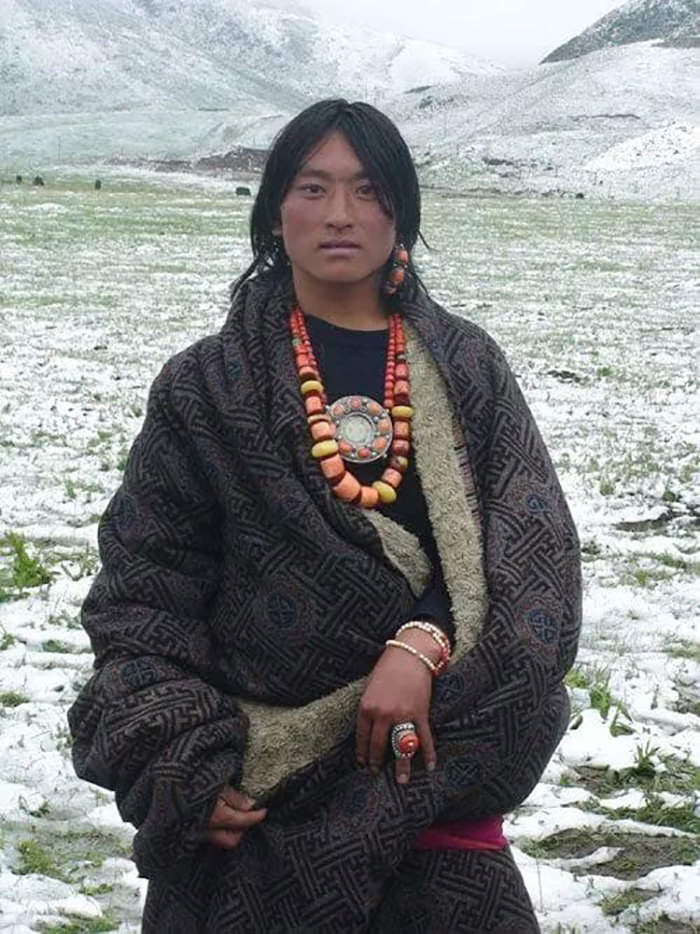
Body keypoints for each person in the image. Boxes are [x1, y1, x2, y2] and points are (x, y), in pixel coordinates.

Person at [68, 99, 581, 933]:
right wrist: (184, 757)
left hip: (431, 785)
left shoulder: (470, 370)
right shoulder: (206, 389)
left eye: (367, 189)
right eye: (313, 187)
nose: (340, 213)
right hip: (258, 804)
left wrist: (421, 647)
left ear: (401, 213)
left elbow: (533, 568)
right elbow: (141, 593)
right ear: (276, 210)